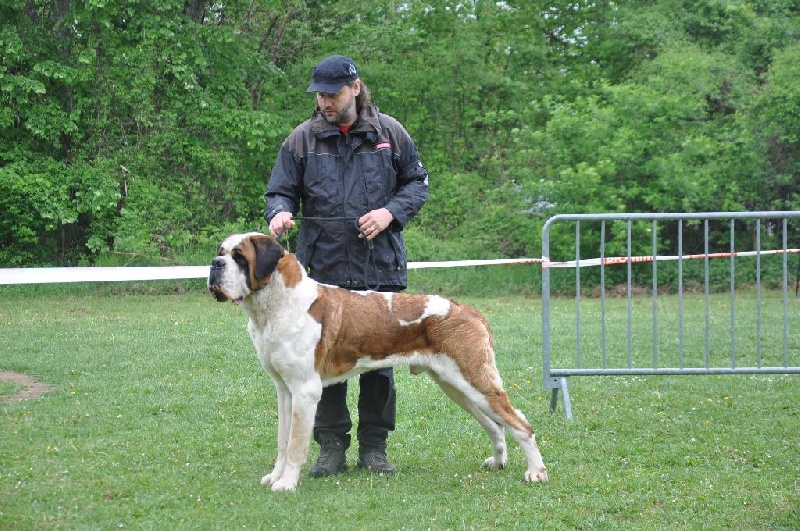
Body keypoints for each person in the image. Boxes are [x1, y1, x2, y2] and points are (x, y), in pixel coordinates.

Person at [264, 55, 429, 477]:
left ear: (355, 88)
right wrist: (280, 213)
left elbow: (417, 183)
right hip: (322, 269)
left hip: (380, 268)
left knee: (380, 364)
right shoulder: (301, 140)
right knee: (319, 358)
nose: (325, 102)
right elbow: (279, 191)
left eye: (332, 93)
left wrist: (390, 213)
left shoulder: (390, 133)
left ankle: (375, 447)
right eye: (319, 94)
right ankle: (331, 446)